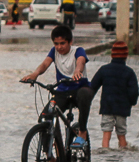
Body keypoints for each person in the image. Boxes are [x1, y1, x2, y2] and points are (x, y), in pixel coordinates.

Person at [20, 25, 95, 155]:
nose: (59, 47)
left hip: (79, 89)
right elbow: (44, 64)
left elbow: (80, 62)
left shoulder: (78, 51)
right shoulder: (54, 52)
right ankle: (51, 154)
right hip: (62, 91)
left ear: (70, 42)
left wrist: (78, 72)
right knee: (45, 117)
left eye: (62, 43)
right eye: (56, 44)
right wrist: (34, 75)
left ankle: (82, 132)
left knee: (84, 94)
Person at [89, 41, 139, 149]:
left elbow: (92, 87)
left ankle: (105, 152)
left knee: (106, 133)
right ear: (126, 56)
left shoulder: (104, 70)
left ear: (112, 55)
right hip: (122, 109)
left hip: (107, 107)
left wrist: (87, 100)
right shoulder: (129, 73)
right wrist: (131, 103)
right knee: (121, 134)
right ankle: (122, 152)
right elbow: (134, 92)